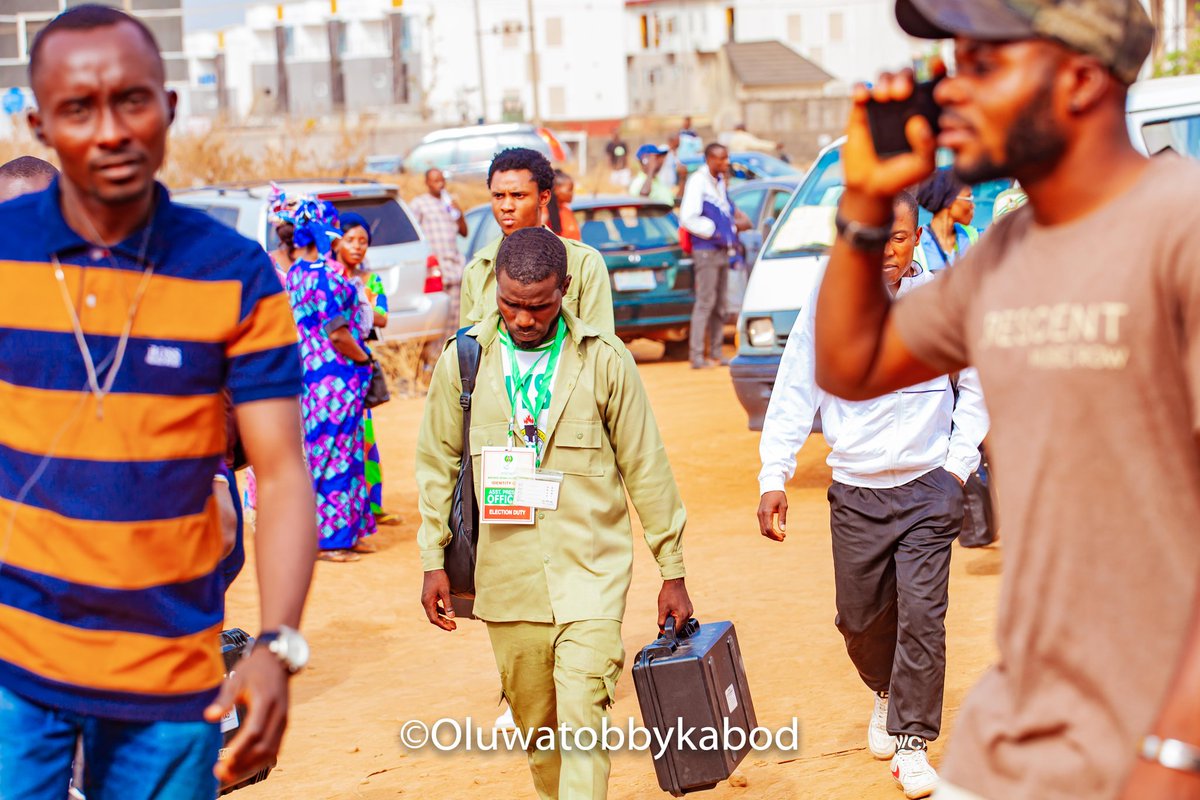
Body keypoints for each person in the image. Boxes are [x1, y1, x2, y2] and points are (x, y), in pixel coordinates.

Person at [813, 1, 1196, 798]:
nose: (952, 91)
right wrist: (863, 204)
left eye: (983, 66)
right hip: (1013, 741)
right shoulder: (1003, 259)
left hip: (1143, 747)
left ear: (1081, 79)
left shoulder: (1179, 227)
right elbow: (850, 365)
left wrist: (1172, 752)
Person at [0, 6, 316, 798]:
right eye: (78, 108)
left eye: (132, 100)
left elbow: (280, 475)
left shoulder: (236, 273)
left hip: (173, 675)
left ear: (170, 107)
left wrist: (276, 646)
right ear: (39, 122)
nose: (110, 131)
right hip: (16, 675)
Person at [416, 227, 691, 800]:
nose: (522, 318)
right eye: (511, 304)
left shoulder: (605, 361)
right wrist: (430, 558)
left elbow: (647, 467)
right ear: (496, 290)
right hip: (507, 577)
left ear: (565, 289)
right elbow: (437, 462)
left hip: (590, 573)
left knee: (584, 720)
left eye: (538, 306)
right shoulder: (464, 361)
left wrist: (673, 570)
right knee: (541, 735)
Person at [758, 192, 989, 799]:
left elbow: (977, 385)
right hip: (856, 489)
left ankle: (913, 743)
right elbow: (796, 381)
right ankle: (885, 691)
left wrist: (956, 471)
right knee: (858, 620)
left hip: (926, 488)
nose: (888, 251)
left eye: (900, 238)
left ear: (916, 238)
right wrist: (773, 475)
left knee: (923, 618)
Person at [285, 202, 376, 563]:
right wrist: (364, 357)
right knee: (337, 456)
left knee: (326, 454)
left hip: (310, 374)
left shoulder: (295, 273)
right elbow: (337, 332)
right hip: (334, 378)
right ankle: (330, 540)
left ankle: (341, 533)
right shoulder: (325, 277)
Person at [459, 147, 614, 333]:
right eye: (498, 196)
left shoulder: (584, 263)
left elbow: (599, 348)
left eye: (518, 195)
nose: (506, 206)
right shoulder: (477, 271)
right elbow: (468, 350)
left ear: (543, 197)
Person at [337, 211, 398, 528]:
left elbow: (383, 316)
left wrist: (350, 304)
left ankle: (371, 506)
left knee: (366, 437)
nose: (358, 247)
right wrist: (361, 305)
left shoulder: (369, 280)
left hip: (359, 363)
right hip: (332, 365)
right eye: (350, 240)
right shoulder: (330, 276)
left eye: (363, 241)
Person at [680, 142, 737, 369]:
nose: (725, 162)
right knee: (705, 302)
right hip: (705, 250)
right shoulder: (698, 181)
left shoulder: (720, 182)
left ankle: (716, 352)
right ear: (709, 159)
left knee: (720, 304)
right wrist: (713, 231)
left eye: (726, 158)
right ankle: (696, 356)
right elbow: (688, 217)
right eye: (721, 159)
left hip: (722, 250)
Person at [409, 168, 468, 339]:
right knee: (437, 320)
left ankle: (454, 355)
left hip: (454, 270)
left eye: (442, 180)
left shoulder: (449, 203)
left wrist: (459, 213)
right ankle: (435, 359)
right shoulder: (419, 204)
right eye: (435, 180)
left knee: (456, 320)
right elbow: (414, 233)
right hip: (436, 271)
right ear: (427, 183)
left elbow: (464, 232)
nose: (440, 184)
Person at [914, 169, 977, 271]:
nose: (973, 205)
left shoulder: (975, 236)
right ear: (950, 201)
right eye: (968, 198)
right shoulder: (917, 246)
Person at [545, 169, 580, 241]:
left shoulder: (567, 210)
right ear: (556, 189)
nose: (572, 193)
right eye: (569, 189)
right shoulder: (544, 212)